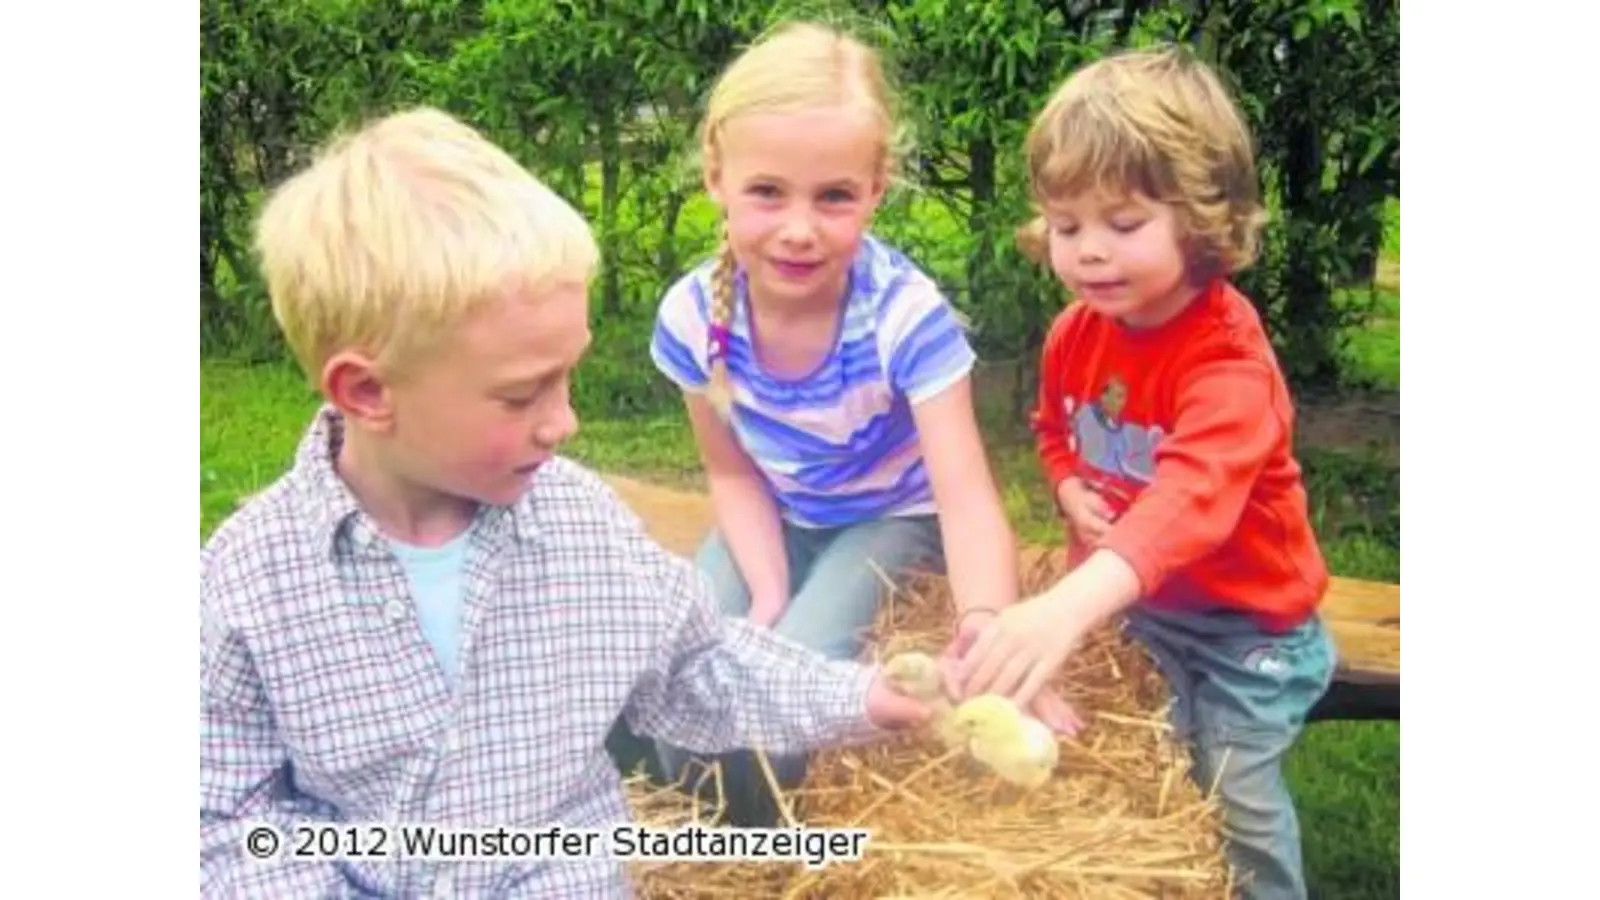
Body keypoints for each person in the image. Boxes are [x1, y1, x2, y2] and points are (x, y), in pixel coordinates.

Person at [198, 106, 937, 899]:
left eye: (567, 375)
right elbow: (219, 814)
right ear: (367, 390)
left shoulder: (582, 529)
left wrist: (862, 696)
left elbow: (699, 664)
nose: (565, 421)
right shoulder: (250, 581)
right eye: (522, 395)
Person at [646, 20, 1067, 826]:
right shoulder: (693, 315)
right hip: (775, 513)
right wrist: (764, 591)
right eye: (767, 191)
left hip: (891, 517)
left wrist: (985, 630)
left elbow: (965, 497)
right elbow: (731, 472)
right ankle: (703, 843)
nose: (800, 228)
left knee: (794, 682)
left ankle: (769, 844)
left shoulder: (906, 318)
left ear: (877, 189)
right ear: (715, 175)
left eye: (834, 196)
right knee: (682, 664)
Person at [952, 46, 1337, 899]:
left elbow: (1188, 503)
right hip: (1151, 617)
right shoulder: (1074, 333)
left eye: (1123, 225)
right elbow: (1053, 430)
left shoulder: (1228, 361)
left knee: (1233, 789)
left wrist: (1062, 606)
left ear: (1202, 221)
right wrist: (1063, 483)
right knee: (1149, 769)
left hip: (1251, 632)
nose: (1090, 252)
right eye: (1065, 225)